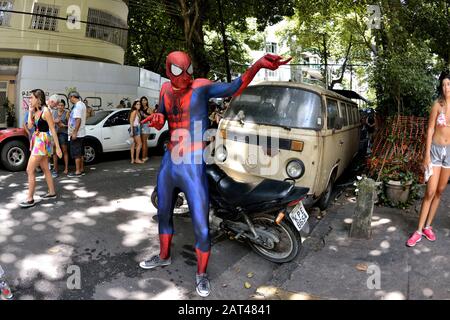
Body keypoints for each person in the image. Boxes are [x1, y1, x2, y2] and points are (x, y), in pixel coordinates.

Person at [138, 51, 291, 297]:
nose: (185, 76)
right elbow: (163, 116)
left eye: (188, 69)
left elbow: (234, 87)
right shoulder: (165, 89)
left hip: (192, 163)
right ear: (168, 71)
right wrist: (157, 119)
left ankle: (201, 274)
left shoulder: (200, 88)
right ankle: (164, 256)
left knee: (200, 223)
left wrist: (258, 65)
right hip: (170, 161)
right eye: (178, 71)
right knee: (163, 212)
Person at [406, 72, 450, 247]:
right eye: (444, 84)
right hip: (436, 151)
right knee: (430, 192)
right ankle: (418, 230)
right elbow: (430, 129)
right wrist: (426, 156)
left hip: (449, 153)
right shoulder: (437, 105)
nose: (446, 88)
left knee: (439, 191)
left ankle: (428, 226)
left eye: (449, 84)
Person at [19, 89, 62, 208]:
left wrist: (57, 147)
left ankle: (30, 199)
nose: (29, 100)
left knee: (29, 170)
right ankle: (52, 192)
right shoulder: (35, 111)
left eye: (31, 98)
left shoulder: (45, 111)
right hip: (38, 140)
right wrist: (30, 110)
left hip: (42, 141)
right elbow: (30, 126)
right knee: (45, 169)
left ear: (38, 99)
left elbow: (52, 129)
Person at [67, 91, 87, 178]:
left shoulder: (78, 106)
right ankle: (81, 169)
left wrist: (74, 132)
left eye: (69, 98)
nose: (70, 100)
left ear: (72, 97)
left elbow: (78, 119)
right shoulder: (82, 104)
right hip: (81, 132)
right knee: (80, 152)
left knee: (76, 153)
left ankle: (78, 171)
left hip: (77, 133)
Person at [52, 100, 70, 177]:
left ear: (64, 106)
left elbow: (71, 125)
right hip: (55, 134)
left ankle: (66, 168)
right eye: (59, 105)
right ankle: (55, 169)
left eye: (62, 105)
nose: (60, 107)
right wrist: (54, 121)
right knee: (55, 152)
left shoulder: (66, 113)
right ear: (57, 106)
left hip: (63, 133)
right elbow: (51, 123)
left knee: (64, 151)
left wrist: (64, 125)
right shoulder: (54, 112)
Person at [129, 100, 144, 164]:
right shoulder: (134, 111)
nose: (139, 105)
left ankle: (133, 160)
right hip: (135, 129)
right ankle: (136, 159)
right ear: (134, 105)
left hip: (136, 128)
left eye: (139, 104)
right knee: (139, 144)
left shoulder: (137, 112)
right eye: (137, 104)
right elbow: (131, 122)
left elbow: (137, 121)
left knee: (133, 144)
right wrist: (132, 131)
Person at [139, 96, 152, 162]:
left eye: (144, 100)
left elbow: (152, 117)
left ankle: (143, 158)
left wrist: (144, 115)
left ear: (147, 101)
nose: (143, 101)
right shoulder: (140, 109)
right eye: (142, 100)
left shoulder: (149, 109)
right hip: (140, 126)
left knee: (144, 142)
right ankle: (145, 156)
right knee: (144, 142)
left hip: (146, 126)